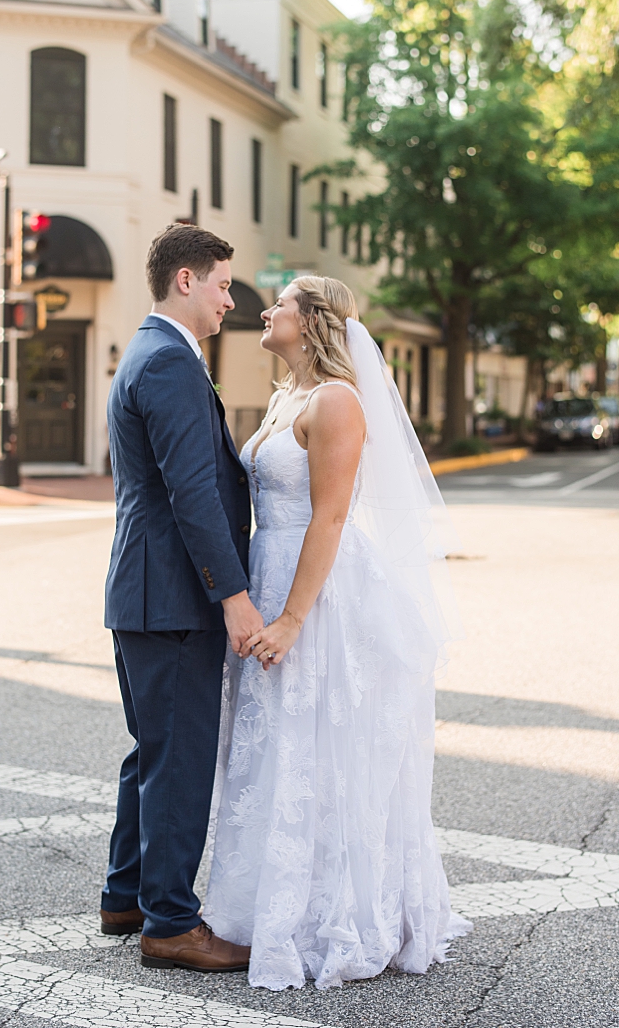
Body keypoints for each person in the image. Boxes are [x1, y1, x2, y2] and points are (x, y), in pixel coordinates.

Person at [204, 276, 470, 990]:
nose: (266, 309)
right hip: (270, 574)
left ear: (313, 319)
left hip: (318, 591)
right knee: (274, 746)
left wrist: (293, 615)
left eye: (281, 302)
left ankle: (332, 915)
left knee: (320, 744)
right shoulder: (287, 396)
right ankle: (262, 905)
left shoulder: (338, 401)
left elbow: (328, 515)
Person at [101, 223, 261, 972]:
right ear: (187, 280)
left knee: (154, 749)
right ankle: (169, 921)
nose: (233, 299)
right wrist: (232, 594)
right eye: (224, 284)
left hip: (146, 591)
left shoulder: (156, 352)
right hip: (172, 597)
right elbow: (192, 491)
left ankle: (126, 893)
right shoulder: (167, 360)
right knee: (180, 758)